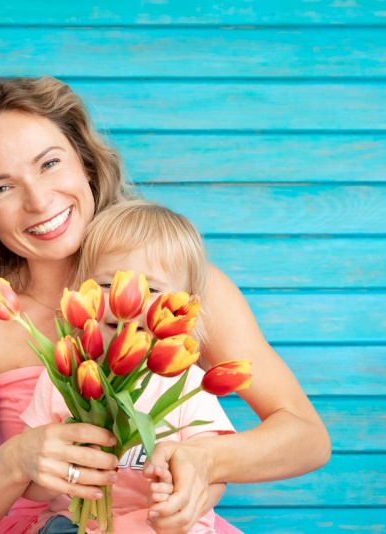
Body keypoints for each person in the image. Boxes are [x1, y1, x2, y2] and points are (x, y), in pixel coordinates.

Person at [0, 75, 330, 534]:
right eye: (1, 188)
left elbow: (307, 438)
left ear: (85, 162)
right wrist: (15, 462)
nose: (39, 201)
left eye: (50, 163)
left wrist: (207, 460)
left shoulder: (183, 292)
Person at [21, 199, 243, 533]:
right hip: (78, 522)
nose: (129, 299)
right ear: (84, 292)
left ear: (185, 307)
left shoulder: (188, 383)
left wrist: (180, 502)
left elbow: (213, 476)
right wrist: (59, 472)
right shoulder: (65, 373)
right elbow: (31, 484)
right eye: (108, 285)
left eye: (151, 289)